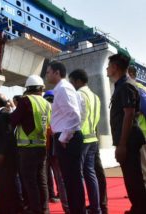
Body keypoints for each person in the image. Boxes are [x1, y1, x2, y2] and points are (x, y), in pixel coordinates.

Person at [107, 53, 146, 213]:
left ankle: (141, 208)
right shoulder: (122, 85)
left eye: (108, 66)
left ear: (115, 67)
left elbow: (129, 114)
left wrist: (122, 145)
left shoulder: (126, 86)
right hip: (128, 140)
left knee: (134, 178)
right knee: (131, 178)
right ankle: (137, 207)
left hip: (129, 141)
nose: (107, 70)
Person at [46, 61, 86, 214]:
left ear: (57, 72)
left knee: (72, 181)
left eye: (49, 72)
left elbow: (74, 115)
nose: (47, 75)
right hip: (69, 138)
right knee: (71, 181)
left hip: (67, 140)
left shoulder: (63, 88)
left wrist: (64, 138)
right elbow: (79, 110)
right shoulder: (66, 88)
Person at [10, 75, 50, 214]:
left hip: (27, 149)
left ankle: (35, 209)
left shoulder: (26, 101)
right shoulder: (46, 103)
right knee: (42, 180)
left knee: (30, 181)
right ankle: (44, 209)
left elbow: (13, 120)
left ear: (27, 88)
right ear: (41, 88)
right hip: (42, 146)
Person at [69, 69, 103, 214]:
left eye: (71, 82)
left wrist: (69, 135)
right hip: (93, 138)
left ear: (77, 81)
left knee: (78, 175)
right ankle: (96, 208)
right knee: (90, 174)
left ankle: (81, 208)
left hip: (81, 139)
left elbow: (78, 118)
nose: (71, 85)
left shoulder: (79, 95)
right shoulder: (95, 96)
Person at [0, 93, 17, 214]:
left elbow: (8, 135)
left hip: (3, 159)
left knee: (5, 187)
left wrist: (1, 153)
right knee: (1, 187)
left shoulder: (4, 114)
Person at [43, 90, 69, 212]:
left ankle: (53, 195)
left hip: (51, 147)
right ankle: (55, 195)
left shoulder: (46, 110)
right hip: (54, 147)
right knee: (57, 174)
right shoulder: (60, 110)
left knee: (51, 173)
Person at [128, 66, 146, 189]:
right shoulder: (141, 87)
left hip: (142, 130)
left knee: (143, 162)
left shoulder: (136, 88)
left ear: (131, 74)